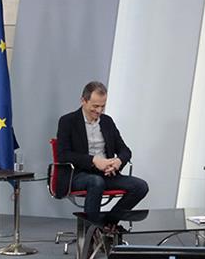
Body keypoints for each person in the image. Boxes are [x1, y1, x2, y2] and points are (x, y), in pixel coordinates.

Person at [55, 81, 149, 234]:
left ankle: (106, 223)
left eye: (102, 106)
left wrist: (118, 162)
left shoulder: (107, 122)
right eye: (95, 106)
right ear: (83, 101)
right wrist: (93, 161)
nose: (99, 110)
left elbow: (125, 150)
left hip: (106, 173)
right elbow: (63, 155)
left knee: (140, 186)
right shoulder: (68, 121)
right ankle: (89, 235)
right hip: (78, 174)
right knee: (95, 181)